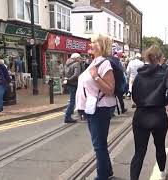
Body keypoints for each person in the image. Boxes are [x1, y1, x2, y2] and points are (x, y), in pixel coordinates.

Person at [130, 45, 168, 180]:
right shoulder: (164, 74)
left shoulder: (139, 75)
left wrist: (141, 103)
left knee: (139, 152)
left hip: (141, 115)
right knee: (160, 146)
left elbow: (134, 95)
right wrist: (167, 101)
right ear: (160, 58)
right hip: (158, 115)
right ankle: (162, 173)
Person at [75, 34, 116, 180]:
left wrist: (96, 77)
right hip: (93, 108)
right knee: (100, 143)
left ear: (101, 45)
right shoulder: (94, 62)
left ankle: (102, 176)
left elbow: (110, 89)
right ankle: (107, 172)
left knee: (98, 145)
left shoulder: (104, 64)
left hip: (100, 109)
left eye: (93, 42)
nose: (90, 45)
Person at [63, 53, 81, 123]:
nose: (80, 60)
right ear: (76, 58)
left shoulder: (66, 63)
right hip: (74, 84)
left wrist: (66, 79)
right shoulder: (76, 64)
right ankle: (68, 116)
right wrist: (69, 79)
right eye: (79, 58)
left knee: (72, 100)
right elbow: (76, 75)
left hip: (69, 84)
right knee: (73, 100)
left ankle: (72, 114)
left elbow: (63, 73)